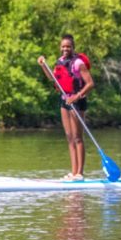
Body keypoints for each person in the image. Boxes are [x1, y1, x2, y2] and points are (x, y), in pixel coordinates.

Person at [38, 34, 94, 181]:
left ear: (73, 47)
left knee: (77, 137)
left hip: (77, 101)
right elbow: (52, 78)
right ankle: (73, 171)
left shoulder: (78, 63)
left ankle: (79, 173)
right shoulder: (60, 62)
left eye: (68, 46)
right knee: (69, 137)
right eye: (63, 46)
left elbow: (90, 84)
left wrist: (77, 96)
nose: (65, 49)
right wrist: (43, 65)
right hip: (64, 100)